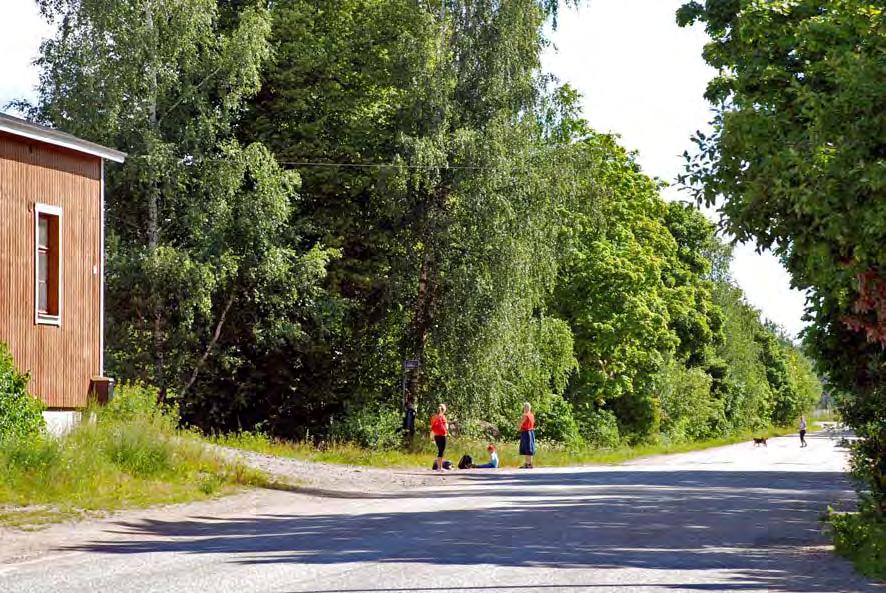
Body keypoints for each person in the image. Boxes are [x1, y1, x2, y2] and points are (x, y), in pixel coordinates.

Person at [430, 403, 449, 471]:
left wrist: (432, 437)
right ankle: (439, 467)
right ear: (443, 410)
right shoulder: (443, 417)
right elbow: (446, 427)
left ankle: (439, 467)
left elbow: (432, 427)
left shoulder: (434, 417)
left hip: (436, 435)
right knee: (441, 451)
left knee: (440, 451)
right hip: (442, 436)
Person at [519, 402, 536, 469]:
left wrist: (518, 428)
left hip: (526, 432)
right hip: (531, 432)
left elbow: (520, 423)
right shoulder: (532, 415)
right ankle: (529, 463)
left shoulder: (525, 415)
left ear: (525, 407)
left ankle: (527, 463)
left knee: (527, 448)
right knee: (530, 448)